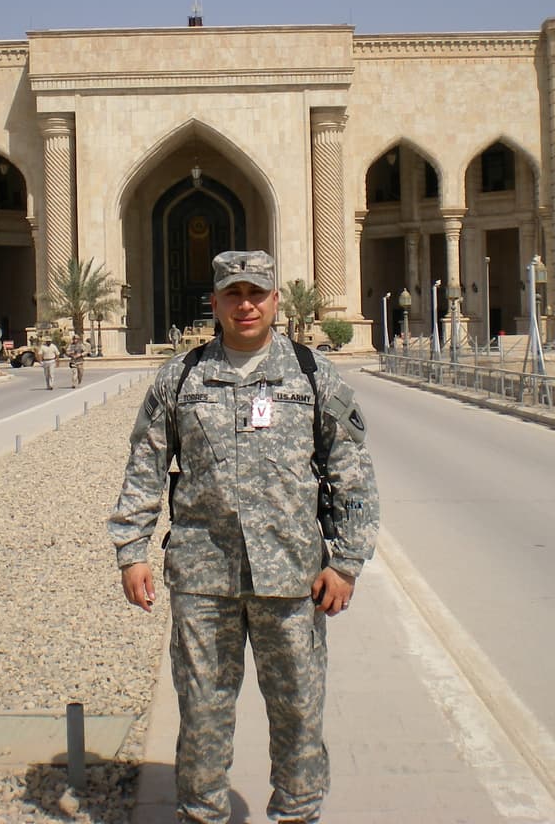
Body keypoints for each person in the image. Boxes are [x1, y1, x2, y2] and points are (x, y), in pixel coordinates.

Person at [109, 250, 379, 824]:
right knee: (203, 713)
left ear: (276, 300)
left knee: (299, 714)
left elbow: (351, 471)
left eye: (257, 292)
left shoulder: (311, 374)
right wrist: (132, 551)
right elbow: (145, 467)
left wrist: (347, 561)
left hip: (293, 579)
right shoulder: (180, 377)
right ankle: (202, 812)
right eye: (234, 294)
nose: (246, 304)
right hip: (204, 581)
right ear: (215, 302)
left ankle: (297, 813)